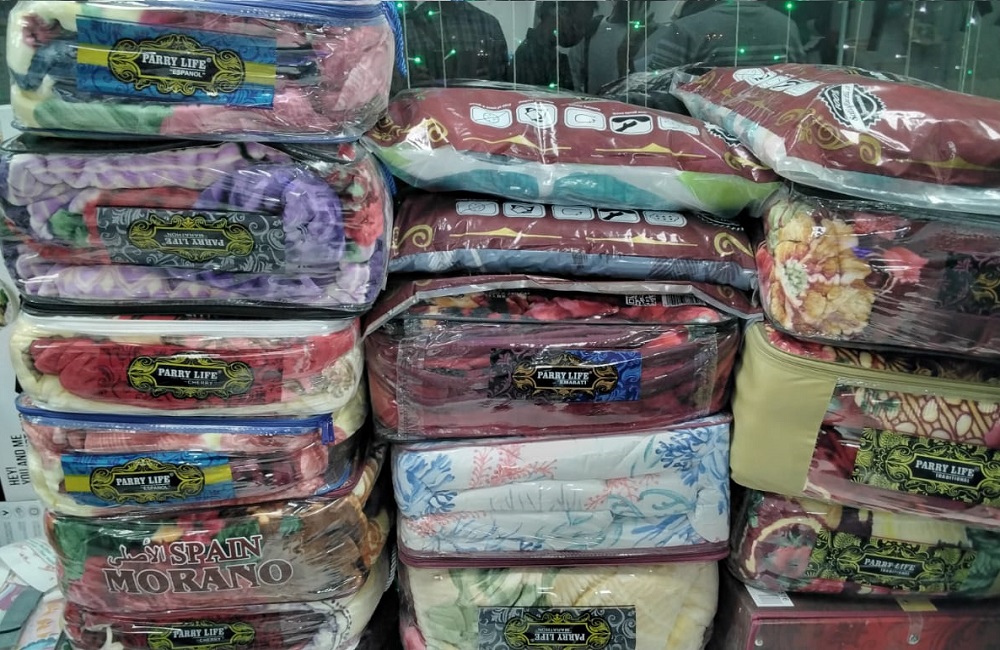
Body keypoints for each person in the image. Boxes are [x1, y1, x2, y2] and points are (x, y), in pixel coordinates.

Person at [647, 0, 806, 71]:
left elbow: (651, 93)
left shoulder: (685, 28)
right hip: (770, 125)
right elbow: (800, 81)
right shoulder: (788, 26)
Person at [394, 0, 509, 91]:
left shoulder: (488, 24)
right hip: (428, 109)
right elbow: (397, 88)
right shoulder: (406, 27)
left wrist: (487, 81)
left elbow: (502, 82)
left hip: (479, 108)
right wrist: (416, 83)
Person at [569, 1, 662, 93]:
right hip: (593, 101)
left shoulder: (654, 35)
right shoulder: (592, 28)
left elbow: (650, 87)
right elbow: (574, 78)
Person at [512, 1, 598, 90]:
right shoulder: (530, 57)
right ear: (558, 11)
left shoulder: (548, 56)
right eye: (578, 24)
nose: (582, 32)